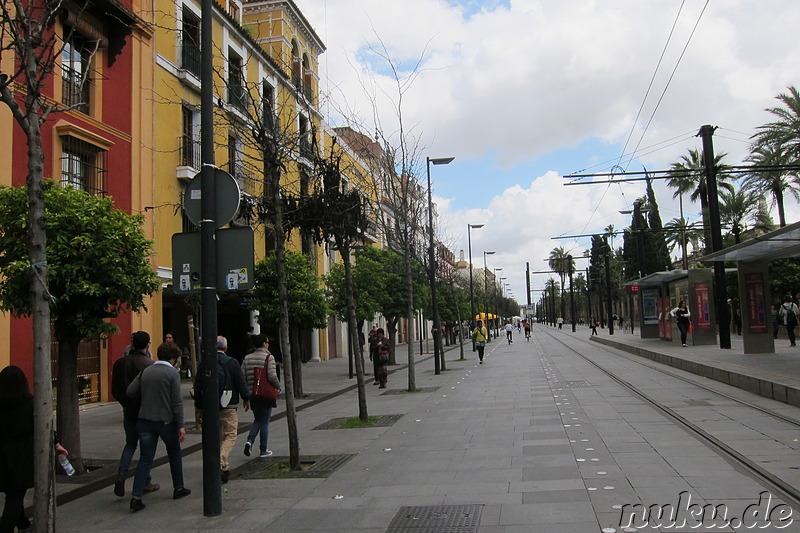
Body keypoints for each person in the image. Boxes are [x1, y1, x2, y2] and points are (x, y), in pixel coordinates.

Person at [0, 366, 69, 533]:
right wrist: (57, 443)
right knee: (15, 496)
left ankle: (23, 525)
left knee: (13, 493)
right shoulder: (31, 405)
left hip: (2, 456)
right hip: (21, 456)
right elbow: (44, 426)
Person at [126, 342, 190, 512]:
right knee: (174, 453)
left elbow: (130, 391)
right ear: (173, 358)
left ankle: (136, 496)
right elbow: (177, 402)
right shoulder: (172, 373)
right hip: (166, 421)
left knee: (145, 458)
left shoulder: (146, 371)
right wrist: (181, 425)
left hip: (145, 419)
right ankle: (178, 487)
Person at [111, 330, 158, 498]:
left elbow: (115, 389)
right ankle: (145, 481)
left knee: (130, 444)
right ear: (147, 345)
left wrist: (125, 403)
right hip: (144, 412)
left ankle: (122, 474)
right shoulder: (149, 365)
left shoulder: (119, 363)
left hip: (128, 410)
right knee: (146, 450)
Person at [216, 336, 250, 483]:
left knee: (217, 435)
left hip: (211, 406)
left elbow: (198, 384)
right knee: (230, 434)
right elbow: (240, 381)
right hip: (229, 404)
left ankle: (224, 467)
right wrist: (246, 398)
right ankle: (220, 461)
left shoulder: (206, 362)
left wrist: (199, 407)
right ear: (226, 348)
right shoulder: (232, 362)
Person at [241, 334, 281, 458]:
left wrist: (246, 395)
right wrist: (278, 386)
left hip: (253, 395)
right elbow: (272, 376)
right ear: (264, 344)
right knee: (265, 421)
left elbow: (242, 377)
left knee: (258, 419)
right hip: (265, 394)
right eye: (267, 342)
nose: (268, 344)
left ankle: (249, 441)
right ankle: (263, 449)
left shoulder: (247, 358)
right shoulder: (269, 357)